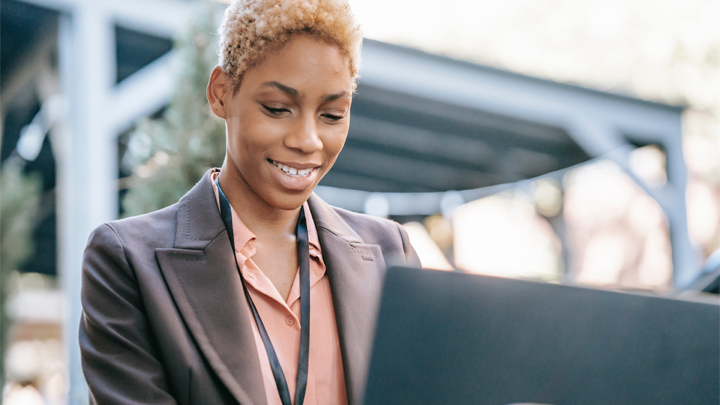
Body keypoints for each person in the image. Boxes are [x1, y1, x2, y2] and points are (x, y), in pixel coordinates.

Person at [78, 1, 420, 404]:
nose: (307, 140)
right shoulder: (128, 261)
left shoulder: (389, 254)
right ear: (221, 93)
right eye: (278, 109)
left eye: (332, 114)